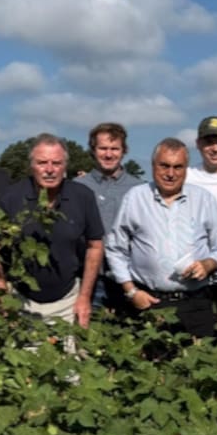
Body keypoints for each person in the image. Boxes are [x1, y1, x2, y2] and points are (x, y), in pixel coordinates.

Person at [105, 138, 217, 337]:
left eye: (178, 167)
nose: (171, 174)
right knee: (150, 366)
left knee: (200, 364)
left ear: (186, 169)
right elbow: (115, 249)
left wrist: (209, 264)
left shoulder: (203, 199)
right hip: (149, 302)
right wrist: (131, 291)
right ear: (154, 165)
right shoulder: (135, 198)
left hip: (195, 304)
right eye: (164, 166)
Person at [0, 134, 104, 329]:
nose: (49, 170)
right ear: (31, 165)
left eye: (56, 163)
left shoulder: (82, 196)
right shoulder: (11, 198)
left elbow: (95, 246)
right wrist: (1, 292)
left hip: (68, 299)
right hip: (20, 298)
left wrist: (84, 297)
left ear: (65, 166)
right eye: (42, 163)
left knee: (70, 358)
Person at [76, 122, 142, 312]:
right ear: (93, 150)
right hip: (89, 278)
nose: (108, 154)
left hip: (128, 279)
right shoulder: (78, 187)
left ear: (124, 150)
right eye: (103, 148)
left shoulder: (138, 188)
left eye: (115, 149)